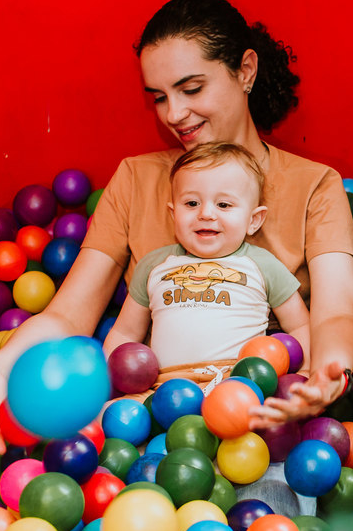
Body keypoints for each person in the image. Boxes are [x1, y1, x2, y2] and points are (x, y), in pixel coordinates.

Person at [0, 0, 353, 451]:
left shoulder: (316, 185)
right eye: (159, 97)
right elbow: (70, 313)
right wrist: (0, 368)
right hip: (150, 420)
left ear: (245, 71)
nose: (174, 114)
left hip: (264, 420)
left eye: (191, 89)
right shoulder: (137, 178)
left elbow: (335, 314)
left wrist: (323, 380)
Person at [107, 140, 309, 371]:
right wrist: (107, 382)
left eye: (223, 204)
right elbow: (125, 332)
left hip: (239, 385)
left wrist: (305, 374)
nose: (205, 213)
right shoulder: (153, 266)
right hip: (165, 390)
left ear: (253, 220)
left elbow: (300, 326)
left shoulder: (263, 265)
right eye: (192, 203)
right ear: (174, 214)